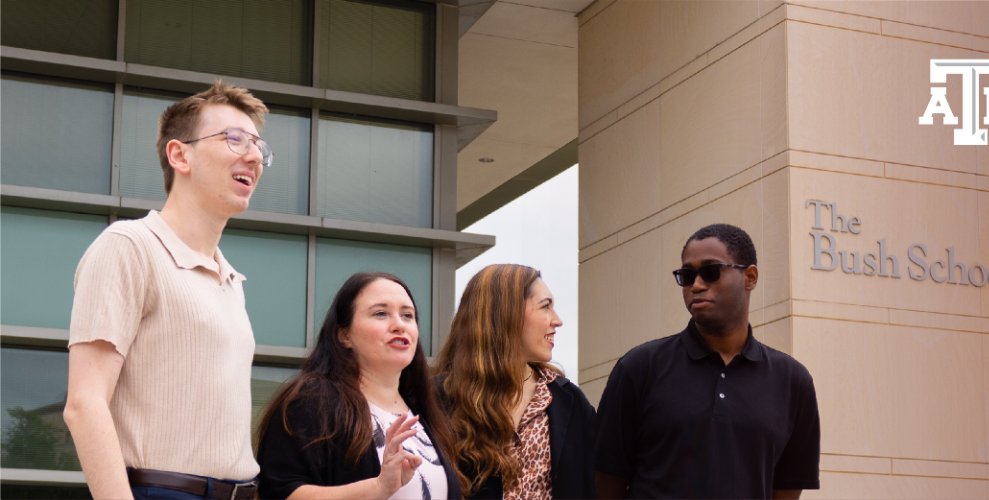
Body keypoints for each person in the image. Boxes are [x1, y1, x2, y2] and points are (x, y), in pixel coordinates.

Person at [64, 81, 271, 499]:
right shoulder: (129, 246)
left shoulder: (230, 280)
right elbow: (84, 405)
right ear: (179, 154)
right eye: (234, 139)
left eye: (258, 146)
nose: (252, 155)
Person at [595, 223, 821, 499]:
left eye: (711, 272)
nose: (697, 285)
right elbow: (605, 481)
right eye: (687, 276)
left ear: (750, 277)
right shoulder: (639, 367)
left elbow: (786, 489)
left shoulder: (792, 381)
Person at [256, 272, 463, 499]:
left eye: (407, 315)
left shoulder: (427, 411)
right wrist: (378, 488)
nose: (399, 325)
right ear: (344, 335)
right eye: (381, 313)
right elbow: (282, 492)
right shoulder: (311, 401)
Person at [434, 264, 596, 499]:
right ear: (505, 314)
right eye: (545, 307)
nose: (557, 320)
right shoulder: (436, 400)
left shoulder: (569, 401)